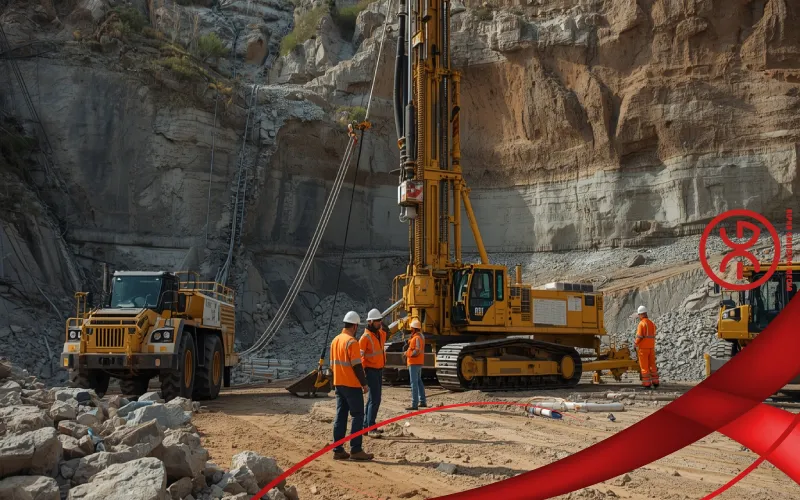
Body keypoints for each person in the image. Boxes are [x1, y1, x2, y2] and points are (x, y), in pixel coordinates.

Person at [330, 311, 374, 461]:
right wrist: (364, 384)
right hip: (351, 385)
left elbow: (332, 365)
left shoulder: (335, 340)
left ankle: (338, 449)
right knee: (357, 416)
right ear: (355, 326)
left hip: (339, 384)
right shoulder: (352, 342)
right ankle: (356, 449)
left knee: (340, 416)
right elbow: (357, 366)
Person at [360, 308, 387, 438]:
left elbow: (386, 332)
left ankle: (367, 426)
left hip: (378, 369)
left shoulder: (379, 334)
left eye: (380, 320)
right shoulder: (365, 338)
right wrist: (363, 374)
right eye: (377, 321)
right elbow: (360, 358)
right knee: (375, 399)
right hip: (370, 370)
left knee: (373, 399)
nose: (379, 323)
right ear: (370, 322)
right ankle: (370, 427)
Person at [404, 318, 427, 410]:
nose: (410, 330)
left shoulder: (417, 338)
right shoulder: (420, 337)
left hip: (414, 363)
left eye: (411, 328)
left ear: (414, 328)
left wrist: (407, 354)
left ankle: (414, 404)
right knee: (419, 382)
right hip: (418, 362)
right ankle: (422, 401)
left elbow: (416, 351)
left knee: (414, 383)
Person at [634, 305, 659, 389]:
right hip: (651, 348)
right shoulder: (651, 323)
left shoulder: (642, 324)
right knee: (652, 365)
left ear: (641, 314)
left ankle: (647, 383)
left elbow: (639, 336)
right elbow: (654, 332)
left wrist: (635, 343)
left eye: (639, 315)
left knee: (644, 367)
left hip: (643, 349)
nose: (639, 317)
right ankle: (655, 382)